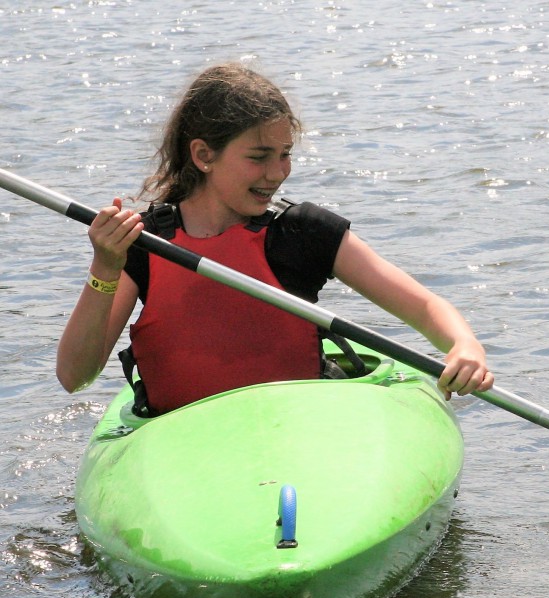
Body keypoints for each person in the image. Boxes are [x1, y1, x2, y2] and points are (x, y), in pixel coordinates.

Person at [56, 62, 493, 414]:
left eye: (285, 155)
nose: (277, 173)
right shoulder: (146, 244)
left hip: (296, 428)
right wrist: (105, 267)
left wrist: (465, 345)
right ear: (204, 155)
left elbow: (425, 306)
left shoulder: (303, 233)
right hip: (181, 445)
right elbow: (74, 375)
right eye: (259, 157)